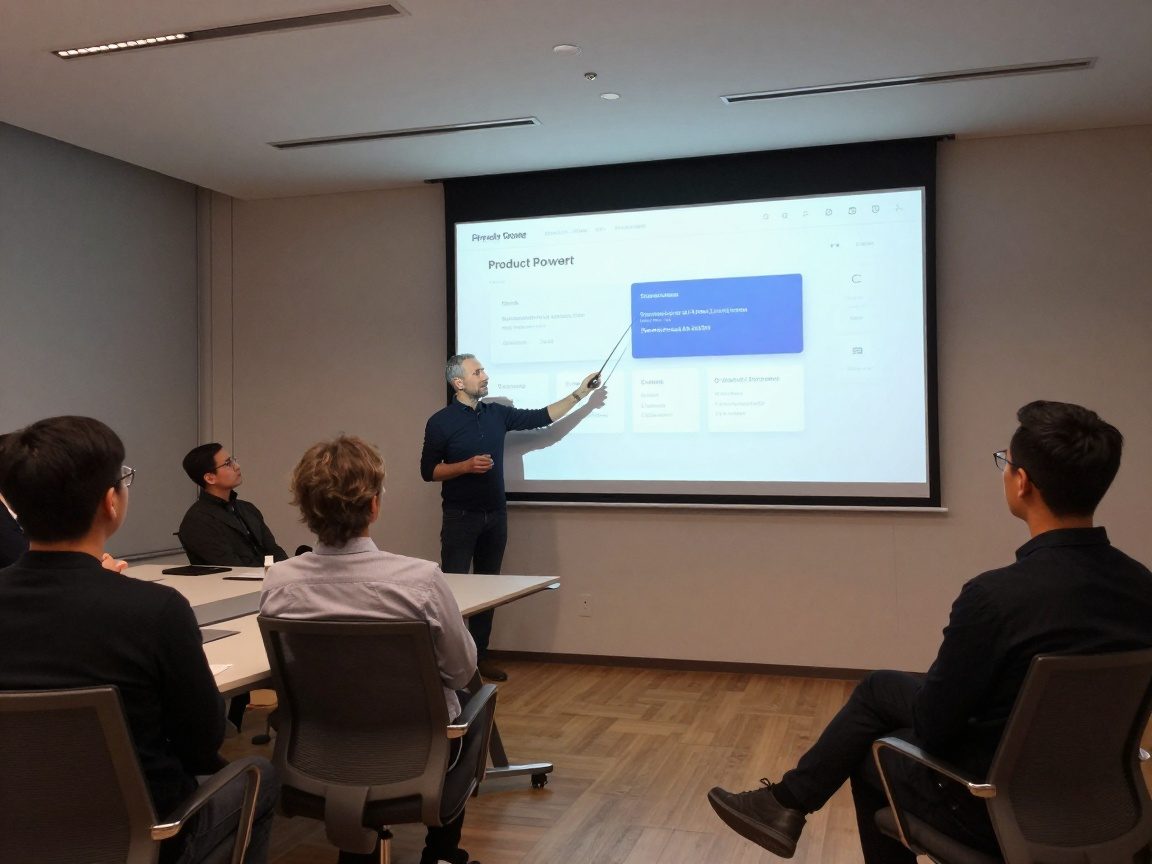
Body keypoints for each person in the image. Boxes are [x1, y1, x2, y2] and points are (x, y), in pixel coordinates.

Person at [708, 400, 1152, 863]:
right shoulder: (1143, 588)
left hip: (996, 811)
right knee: (884, 694)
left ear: (1021, 483)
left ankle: (786, 803)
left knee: (874, 745)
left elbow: (936, 731)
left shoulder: (994, 598)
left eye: (1006, 462)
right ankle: (784, 802)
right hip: (1107, 805)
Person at [0, 416, 277, 863]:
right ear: (111, 502)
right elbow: (202, 741)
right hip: (149, 830)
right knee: (258, 775)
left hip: (14, 828)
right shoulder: (155, 610)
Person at [261, 435, 482, 864]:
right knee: (475, 699)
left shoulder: (278, 583)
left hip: (319, 751)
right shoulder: (420, 581)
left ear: (305, 508)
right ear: (374, 505)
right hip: (419, 754)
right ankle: (440, 853)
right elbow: (459, 672)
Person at [420, 353, 599, 681]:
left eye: (483, 370)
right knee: (454, 591)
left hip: (495, 515)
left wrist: (580, 393)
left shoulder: (496, 414)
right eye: (477, 372)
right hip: (460, 516)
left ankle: (479, 659)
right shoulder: (440, 422)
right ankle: (451, 663)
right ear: (458, 383)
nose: (485, 376)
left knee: (488, 589)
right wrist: (464, 466)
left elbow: (541, 418)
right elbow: (427, 471)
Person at [178, 443, 288, 567]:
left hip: (271, 581)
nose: (237, 466)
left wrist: (285, 572)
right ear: (210, 478)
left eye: (233, 460)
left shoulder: (247, 509)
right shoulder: (198, 521)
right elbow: (232, 567)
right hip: (237, 584)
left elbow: (274, 550)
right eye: (228, 463)